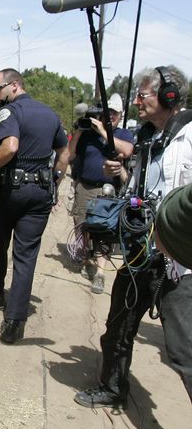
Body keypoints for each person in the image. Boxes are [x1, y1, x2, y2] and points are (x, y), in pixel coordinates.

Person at [75, 66, 192, 409]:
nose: (137, 102)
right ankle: (112, 388)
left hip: (176, 264)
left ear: (168, 96)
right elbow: (142, 189)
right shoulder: (146, 138)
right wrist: (122, 174)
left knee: (184, 351)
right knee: (117, 330)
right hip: (141, 252)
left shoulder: (190, 137)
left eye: (143, 95)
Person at [0, 69, 70, 344]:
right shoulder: (51, 114)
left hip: (9, 192)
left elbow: (10, 148)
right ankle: (15, 321)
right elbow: (64, 153)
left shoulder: (10, 112)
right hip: (39, 194)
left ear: (14, 85)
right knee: (26, 255)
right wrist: (54, 183)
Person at [68, 93, 135, 293]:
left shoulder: (122, 134)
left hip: (107, 191)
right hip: (84, 186)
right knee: (81, 226)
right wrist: (80, 130)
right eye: (107, 112)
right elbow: (70, 154)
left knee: (104, 230)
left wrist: (104, 131)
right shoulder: (88, 133)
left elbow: (128, 150)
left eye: (114, 112)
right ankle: (87, 258)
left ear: (120, 115)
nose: (110, 116)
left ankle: (100, 273)